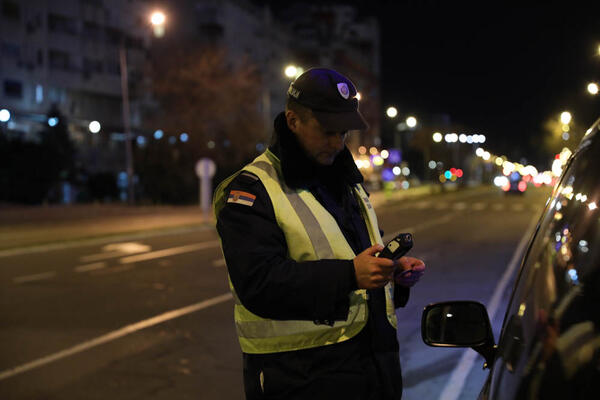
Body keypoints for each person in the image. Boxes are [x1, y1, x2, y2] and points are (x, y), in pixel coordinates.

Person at [213, 67, 426, 400]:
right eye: (327, 131)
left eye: (343, 133)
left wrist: (391, 270)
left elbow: (357, 255)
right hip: (300, 379)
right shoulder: (252, 190)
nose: (337, 143)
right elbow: (258, 283)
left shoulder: (345, 181)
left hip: (370, 373)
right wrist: (350, 275)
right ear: (293, 121)